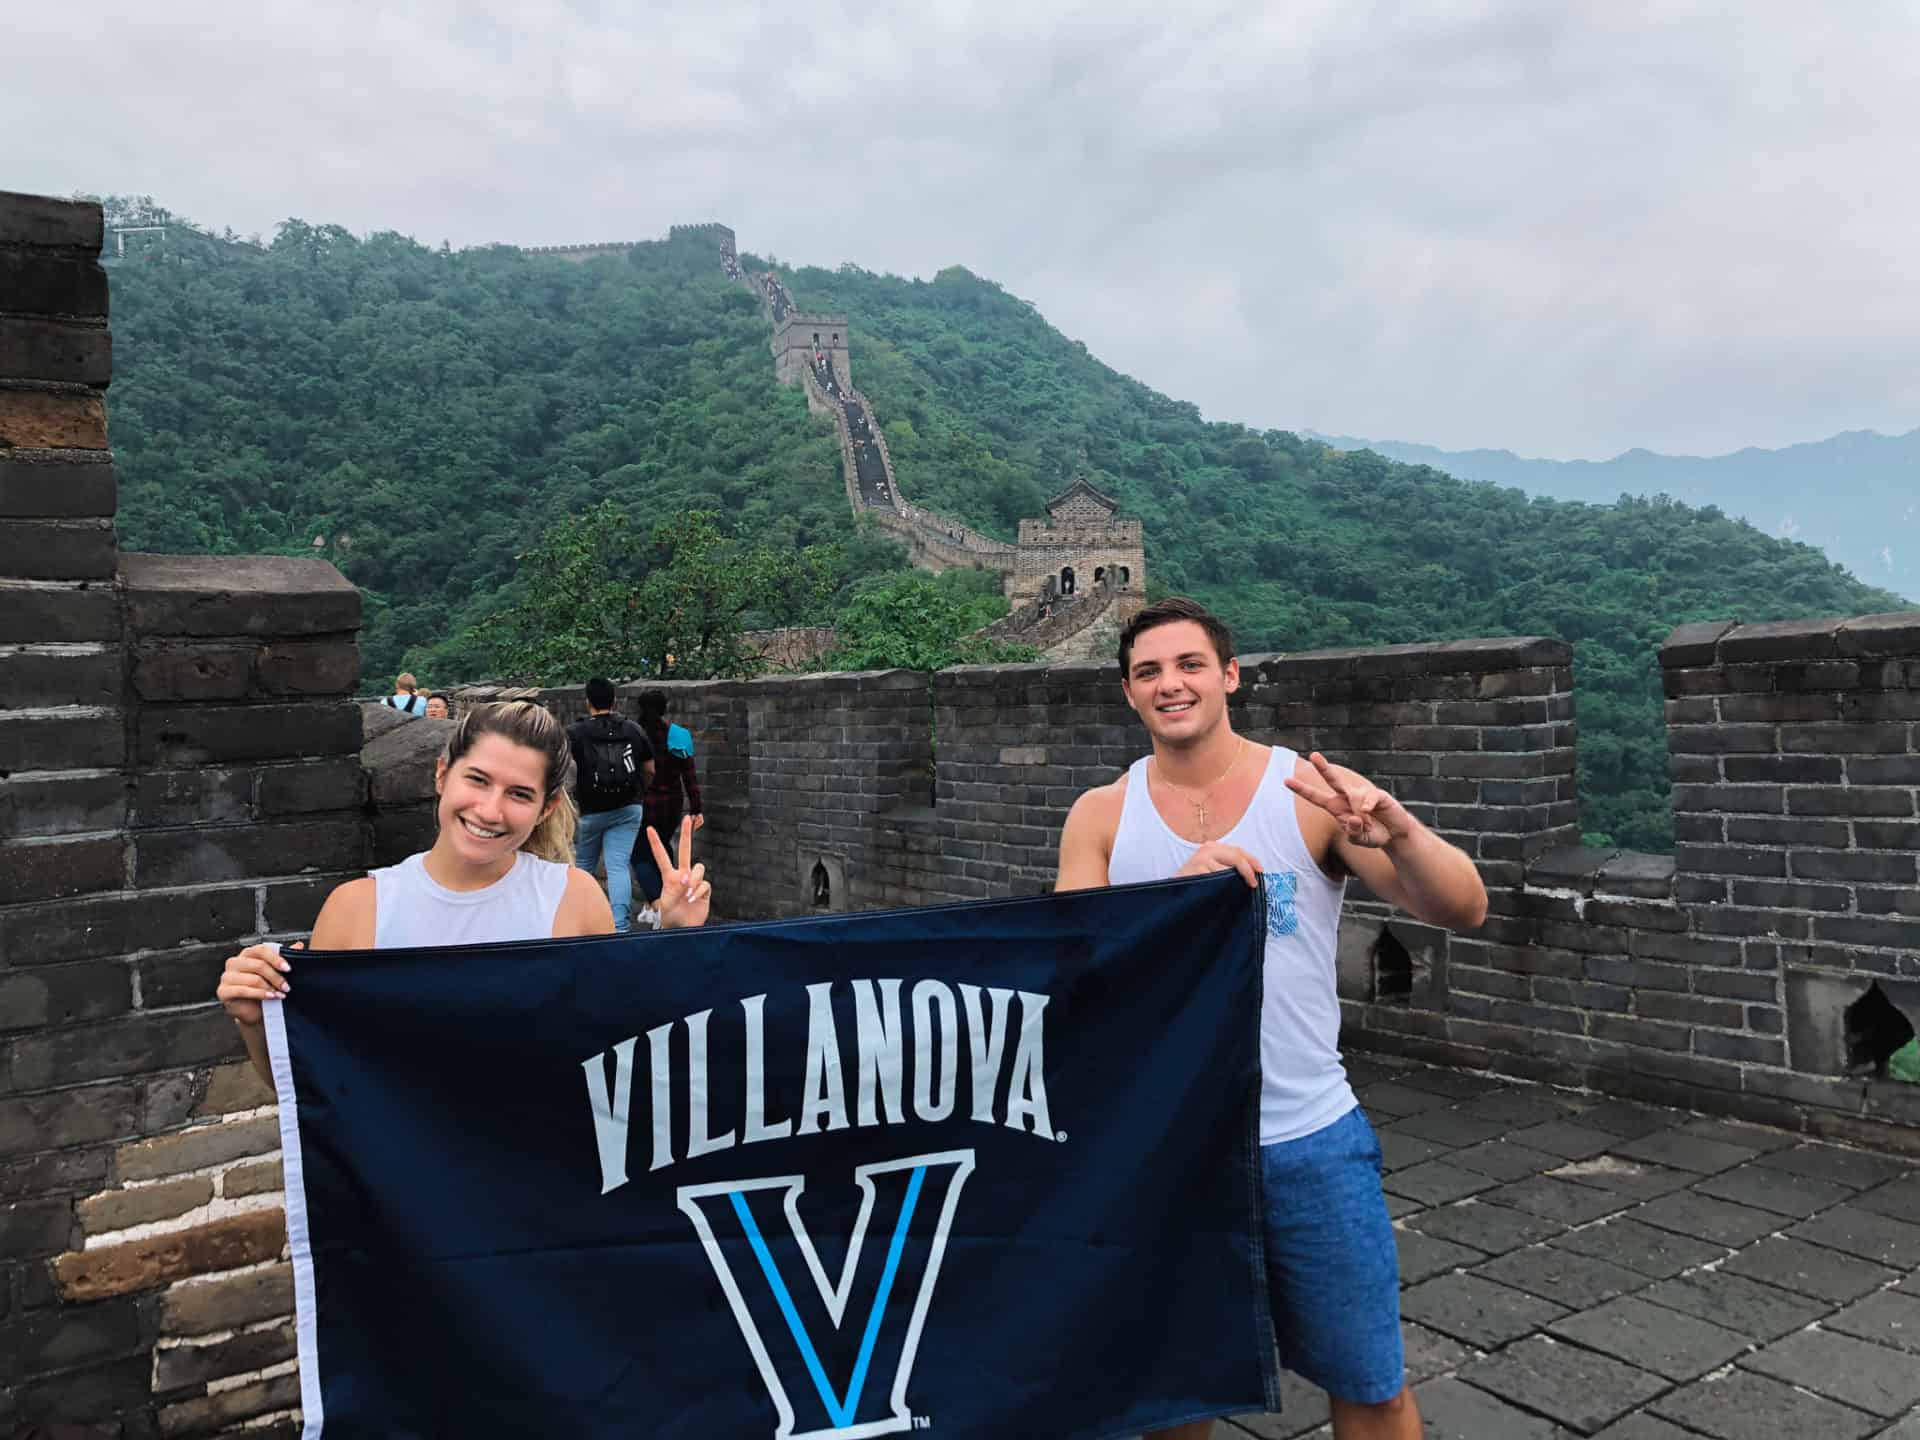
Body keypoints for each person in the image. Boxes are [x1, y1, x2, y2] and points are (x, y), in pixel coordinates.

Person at [1055, 597, 1486, 1440]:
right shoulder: (1102, 816)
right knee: (1175, 1394)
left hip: (1305, 1139)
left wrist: (1399, 833)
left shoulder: (1307, 797)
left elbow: (1462, 906)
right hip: (1167, 1146)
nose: (1170, 684)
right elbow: (1077, 977)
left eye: (1188, 665)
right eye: (1149, 672)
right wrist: (1182, 896)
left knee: (1369, 1382)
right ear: (1128, 695)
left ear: (1229, 676)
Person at [216, 701, 711, 1087]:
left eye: (519, 793)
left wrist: (672, 940)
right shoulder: (357, 910)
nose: (491, 811)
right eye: (477, 780)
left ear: (545, 807)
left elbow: (615, 1047)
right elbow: (318, 1088)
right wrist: (258, 1022)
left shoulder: (573, 898)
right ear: (441, 775)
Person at [568, 678, 654, 933]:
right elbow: (649, 768)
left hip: (590, 809)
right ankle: (619, 926)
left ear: (587, 702)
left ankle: (580, 922)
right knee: (618, 865)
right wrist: (640, 791)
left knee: (584, 866)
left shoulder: (576, 732)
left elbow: (566, 769)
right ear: (614, 700)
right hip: (628, 807)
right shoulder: (633, 729)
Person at [635, 690, 703, 914]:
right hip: (672, 803)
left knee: (640, 855)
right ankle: (667, 899)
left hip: (645, 804)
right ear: (664, 709)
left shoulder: (636, 734)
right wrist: (696, 809)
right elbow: (689, 776)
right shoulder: (678, 735)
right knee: (663, 847)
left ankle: (658, 905)